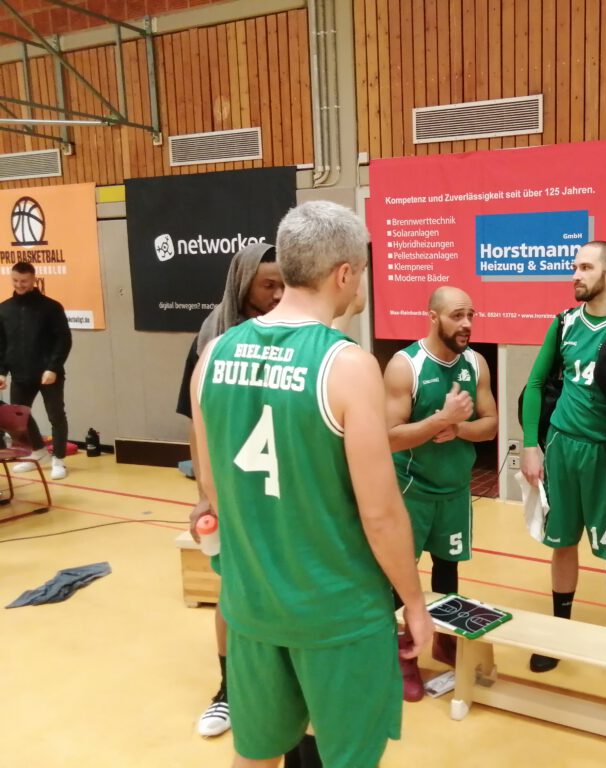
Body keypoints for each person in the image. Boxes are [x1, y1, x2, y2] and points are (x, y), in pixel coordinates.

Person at [191, 199, 432, 768]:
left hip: (251, 605)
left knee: (255, 754)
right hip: (337, 611)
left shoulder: (213, 354)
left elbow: (213, 486)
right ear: (344, 274)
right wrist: (416, 602)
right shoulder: (347, 365)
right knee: (347, 756)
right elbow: (381, 514)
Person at [176, 242, 284, 739]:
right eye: (268, 285)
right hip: (229, 488)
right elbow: (195, 426)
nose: (278, 293)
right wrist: (205, 492)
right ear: (243, 284)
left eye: (284, 283)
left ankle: (283, 682)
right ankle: (228, 692)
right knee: (230, 590)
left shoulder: (288, 333)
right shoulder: (211, 338)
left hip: (279, 485)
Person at [520, 241, 606, 684]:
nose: (575, 274)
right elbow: (534, 385)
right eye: (574, 267)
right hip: (563, 448)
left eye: (585, 267)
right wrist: (530, 443)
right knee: (562, 542)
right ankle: (558, 633)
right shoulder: (565, 323)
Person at [383, 285, 497, 700]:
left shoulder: (475, 363)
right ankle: (403, 655)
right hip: (410, 489)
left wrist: (458, 428)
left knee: (448, 569)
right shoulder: (404, 366)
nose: (466, 324)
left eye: (470, 315)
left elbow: (492, 424)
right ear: (433, 317)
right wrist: (439, 420)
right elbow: (389, 437)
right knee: (401, 575)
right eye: (456, 316)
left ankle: (445, 635)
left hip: (454, 490)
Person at [0, 261, 72, 480]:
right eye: (15, 280)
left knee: (56, 416)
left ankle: (59, 459)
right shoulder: (4, 309)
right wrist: (2, 371)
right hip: (20, 374)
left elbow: (64, 340)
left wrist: (53, 367)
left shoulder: (51, 307)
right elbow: (1, 344)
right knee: (19, 418)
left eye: (24, 281)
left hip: (48, 374)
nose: (19, 285)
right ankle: (37, 451)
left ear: (33, 280)